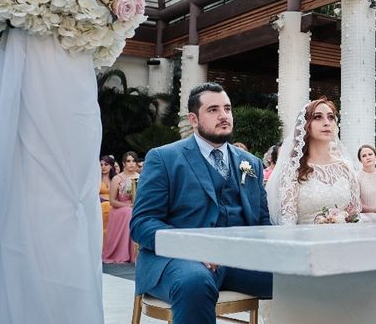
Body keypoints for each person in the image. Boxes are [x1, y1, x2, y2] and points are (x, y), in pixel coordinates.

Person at [130, 82, 271, 323]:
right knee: (195, 281)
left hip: (239, 260)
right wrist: (193, 248)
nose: (224, 115)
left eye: (227, 108)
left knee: (301, 277)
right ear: (193, 119)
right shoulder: (164, 158)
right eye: (213, 110)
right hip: (180, 262)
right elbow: (142, 224)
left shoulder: (252, 163)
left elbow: (263, 223)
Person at [266, 97, 361, 225]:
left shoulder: (345, 167)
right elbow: (288, 220)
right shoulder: (293, 168)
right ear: (306, 126)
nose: (327, 122)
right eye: (317, 117)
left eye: (331, 117)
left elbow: (354, 216)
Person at [102, 151, 140, 264]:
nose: (131, 164)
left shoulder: (141, 177)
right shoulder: (117, 179)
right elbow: (112, 201)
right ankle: (124, 252)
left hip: (137, 206)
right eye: (128, 161)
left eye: (134, 161)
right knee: (129, 212)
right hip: (120, 208)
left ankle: (138, 253)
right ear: (123, 163)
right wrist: (127, 205)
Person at [99, 155, 117, 240]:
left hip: (114, 207)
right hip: (100, 207)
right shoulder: (96, 179)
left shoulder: (116, 179)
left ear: (111, 166)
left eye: (106, 164)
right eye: (101, 165)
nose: (103, 167)